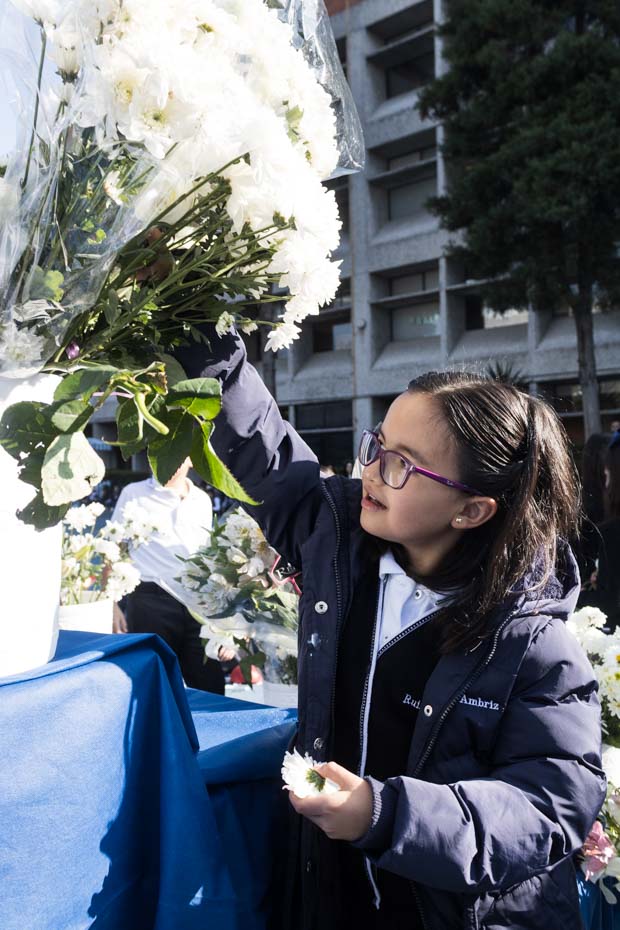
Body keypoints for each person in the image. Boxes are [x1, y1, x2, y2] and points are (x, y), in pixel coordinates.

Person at [174, 327, 605, 930]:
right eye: (376, 444)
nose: (372, 469)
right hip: (331, 898)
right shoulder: (336, 542)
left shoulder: (533, 644)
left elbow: (549, 807)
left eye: (402, 463)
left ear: (471, 510)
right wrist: (199, 330)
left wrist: (384, 814)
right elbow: (261, 449)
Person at [112, 458, 225, 694]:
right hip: (150, 602)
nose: (170, 458)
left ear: (192, 459)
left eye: (179, 454)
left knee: (210, 685)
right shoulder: (133, 493)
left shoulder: (201, 499)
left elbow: (210, 556)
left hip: (197, 603)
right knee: (151, 687)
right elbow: (112, 549)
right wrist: (111, 605)